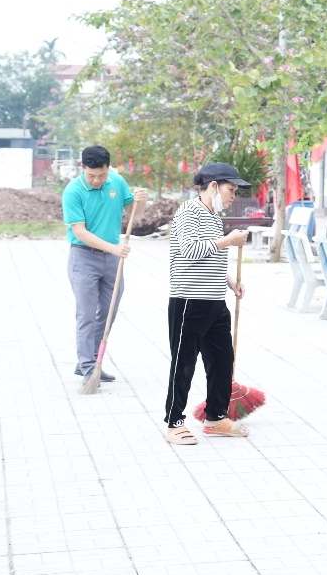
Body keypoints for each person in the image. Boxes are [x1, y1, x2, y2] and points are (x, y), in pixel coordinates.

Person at [163, 163, 252, 444]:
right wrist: (228, 240)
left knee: (222, 361)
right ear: (213, 186)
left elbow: (210, 254)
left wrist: (229, 281)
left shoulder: (213, 216)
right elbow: (189, 250)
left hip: (215, 300)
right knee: (184, 363)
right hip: (189, 299)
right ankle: (174, 423)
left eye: (236, 192)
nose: (232, 196)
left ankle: (216, 417)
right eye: (230, 190)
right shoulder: (189, 211)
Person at [63, 145, 147, 382]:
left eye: (102, 175)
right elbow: (79, 231)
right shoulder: (73, 191)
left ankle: (92, 361)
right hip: (84, 257)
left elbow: (133, 211)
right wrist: (112, 248)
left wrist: (141, 200)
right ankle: (88, 366)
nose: (97, 180)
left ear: (108, 168)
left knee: (108, 313)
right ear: (83, 169)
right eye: (92, 175)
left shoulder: (117, 182)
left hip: (112, 259)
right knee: (87, 313)